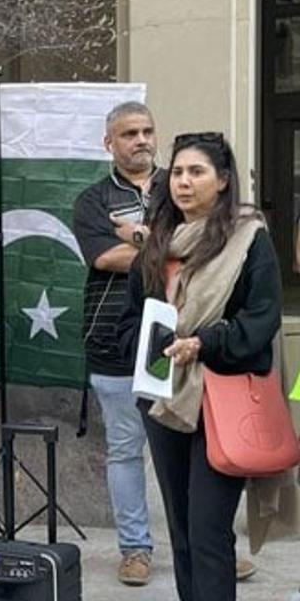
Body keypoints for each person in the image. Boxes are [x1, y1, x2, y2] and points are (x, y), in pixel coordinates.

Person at [118, 132, 280, 601]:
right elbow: (130, 319)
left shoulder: (248, 238)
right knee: (183, 529)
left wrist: (204, 343)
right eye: (179, 173)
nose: (184, 182)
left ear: (224, 181)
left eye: (198, 172)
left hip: (222, 398)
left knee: (209, 530)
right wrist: (154, 343)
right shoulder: (158, 242)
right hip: (164, 396)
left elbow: (261, 319)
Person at [71, 101, 162, 586]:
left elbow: (202, 248)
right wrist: (161, 247)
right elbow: (106, 259)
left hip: (180, 341)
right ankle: (135, 549)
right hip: (113, 341)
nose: (141, 140)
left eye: (147, 130)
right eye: (129, 133)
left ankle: (208, 545)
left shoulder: (179, 187)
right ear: (110, 142)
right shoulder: (92, 200)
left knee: (192, 450)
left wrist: (139, 237)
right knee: (126, 450)